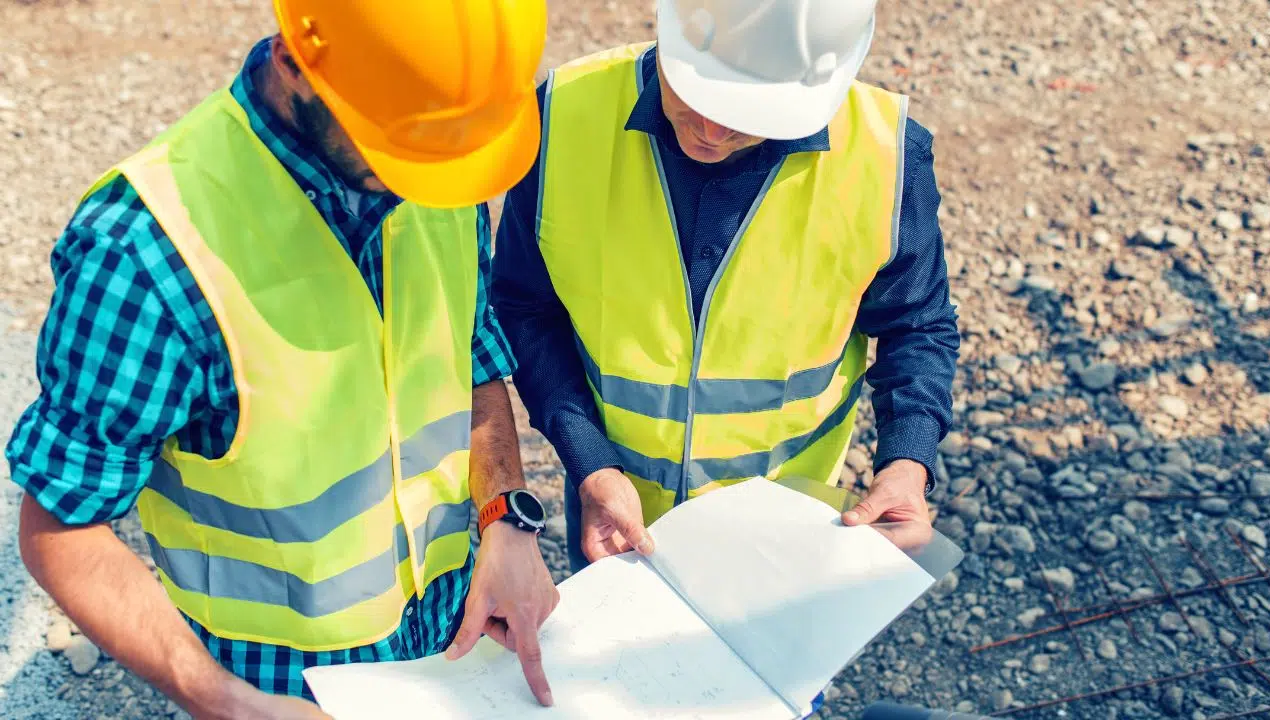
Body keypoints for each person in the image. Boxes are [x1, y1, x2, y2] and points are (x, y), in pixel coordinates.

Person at [6, 1, 560, 716]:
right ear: (296, 61)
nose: (426, 181)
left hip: (451, 653)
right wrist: (220, 698)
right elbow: (61, 525)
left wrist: (504, 518)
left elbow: (472, 361)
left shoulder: (433, 157)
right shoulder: (144, 253)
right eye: (398, 150)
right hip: (276, 687)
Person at [493, 0, 961, 576]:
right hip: (615, 518)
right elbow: (524, 307)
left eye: (747, 112)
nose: (711, 131)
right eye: (697, 95)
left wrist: (906, 461)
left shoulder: (886, 155)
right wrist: (590, 462)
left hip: (790, 532)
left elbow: (918, 325)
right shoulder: (566, 115)